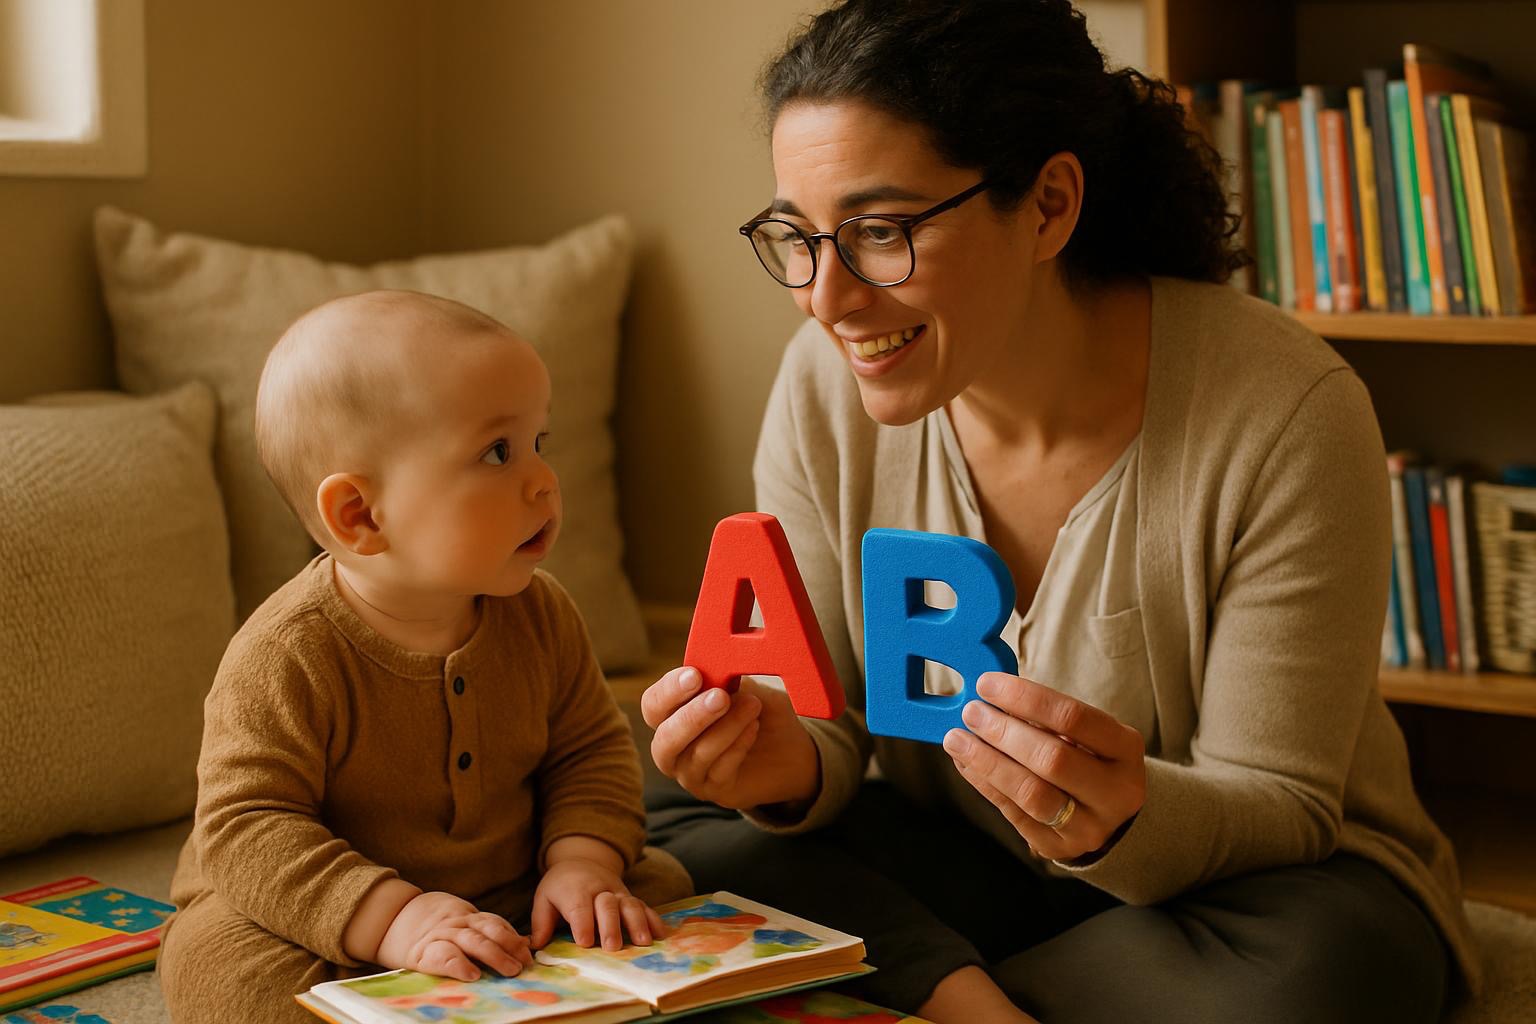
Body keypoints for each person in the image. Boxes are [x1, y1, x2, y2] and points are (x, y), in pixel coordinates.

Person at [641, 2, 1477, 1022]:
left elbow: (1285, 803)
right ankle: (965, 995)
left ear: (1047, 204)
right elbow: (832, 728)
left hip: (1250, 884)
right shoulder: (821, 384)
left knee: (1328, 972)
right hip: (963, 857)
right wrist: (779, 764)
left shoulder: (1283, 409)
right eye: (799, 237)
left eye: (879, 232)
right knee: (673, 815)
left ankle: (910, 978)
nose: (827, 297)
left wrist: (1124, 819)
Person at [159, 291, 689, 1023]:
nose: (542, 480)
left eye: (541, 442)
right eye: (498, 453)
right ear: (362, 516)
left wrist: (582, 863)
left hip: (505, 892)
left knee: (660, 889)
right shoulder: (286, 655)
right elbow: (247, 827)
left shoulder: (543, 614)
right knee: (218, 964)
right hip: (328, 915)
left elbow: (590, 752)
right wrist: (394, 920)